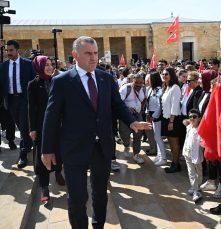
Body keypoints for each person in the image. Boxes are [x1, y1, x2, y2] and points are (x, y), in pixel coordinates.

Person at [41, 36, 151, 229]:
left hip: (102, 147)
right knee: (77, 198)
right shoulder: (62, 82)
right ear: (75, 55)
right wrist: (47, 149)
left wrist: (132, 122)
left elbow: (117, 105)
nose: (93, 58)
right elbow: (51, 117)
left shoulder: (106, 78)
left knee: (100, 194)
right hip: (74, 149)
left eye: (95, 53)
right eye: (88, 54)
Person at [27, 55, 65, 202]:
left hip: (58, 125)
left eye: (51, 64)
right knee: (42, 155)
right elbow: (31, 108)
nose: (49, 67)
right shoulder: (33, 84)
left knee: (58, 151)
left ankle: (58, 172)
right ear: (38, 67)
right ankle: (44, 187)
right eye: (46, 65)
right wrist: (32, 128)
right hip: (41, 126)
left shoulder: (58, 81)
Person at [0, 40, 35, 168]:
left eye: (10, 50)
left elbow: (34, 82)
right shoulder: (3, 66)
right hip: (10, 101)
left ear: (17, 50)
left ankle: (23, 155)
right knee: (21, 127)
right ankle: (28, 142)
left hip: (24, 100)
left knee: (24, 127)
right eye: (6, 50)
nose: (8, 53)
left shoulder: (28, 64)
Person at [118, 74, 146, 164]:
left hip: (138, 115)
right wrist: (127, 108)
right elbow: (118, 101)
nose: (138, 85)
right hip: (125, 116)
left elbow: (144, 99)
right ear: (132, 81)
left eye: (141, 83)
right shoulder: (125, 88)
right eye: (136, 82)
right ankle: (126, 145)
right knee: (124, 134)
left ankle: (136, 155)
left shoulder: (144, 89)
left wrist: (141, 108)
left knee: (138, 135)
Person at [161, 67, 182, 173]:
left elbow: (175, 106)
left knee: (174, 143)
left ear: (171, 76)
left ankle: (176, 164)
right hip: (166, 118)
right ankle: (174, 162)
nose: (164, 76)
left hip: (173, 119)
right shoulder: (167, 87)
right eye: (163, 74)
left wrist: (171, 121)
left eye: (166, 74)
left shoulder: (175, 88)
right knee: (170, 142)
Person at [182, 109, 203, 202]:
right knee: (191, 173)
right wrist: (187, 120)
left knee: (199, 172)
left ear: (199, 118)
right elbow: (184, 121)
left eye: (194, 117)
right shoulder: (189, 126)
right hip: (187, 152)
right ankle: (195, 190)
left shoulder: (201, 129)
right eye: (190, 117)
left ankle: (197, 187)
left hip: (197, 154)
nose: (192, 119)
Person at [146, 71, 166, 166]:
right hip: (152, 115)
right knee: (156, 137)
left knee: (158, 137)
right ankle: (159, 155)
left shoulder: (159, 90)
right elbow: (148, 102)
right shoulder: (151, 89)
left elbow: (159, 105)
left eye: (149, 78)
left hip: (157, 116)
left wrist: (154, 116)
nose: (148, 80)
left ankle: (164, 158)